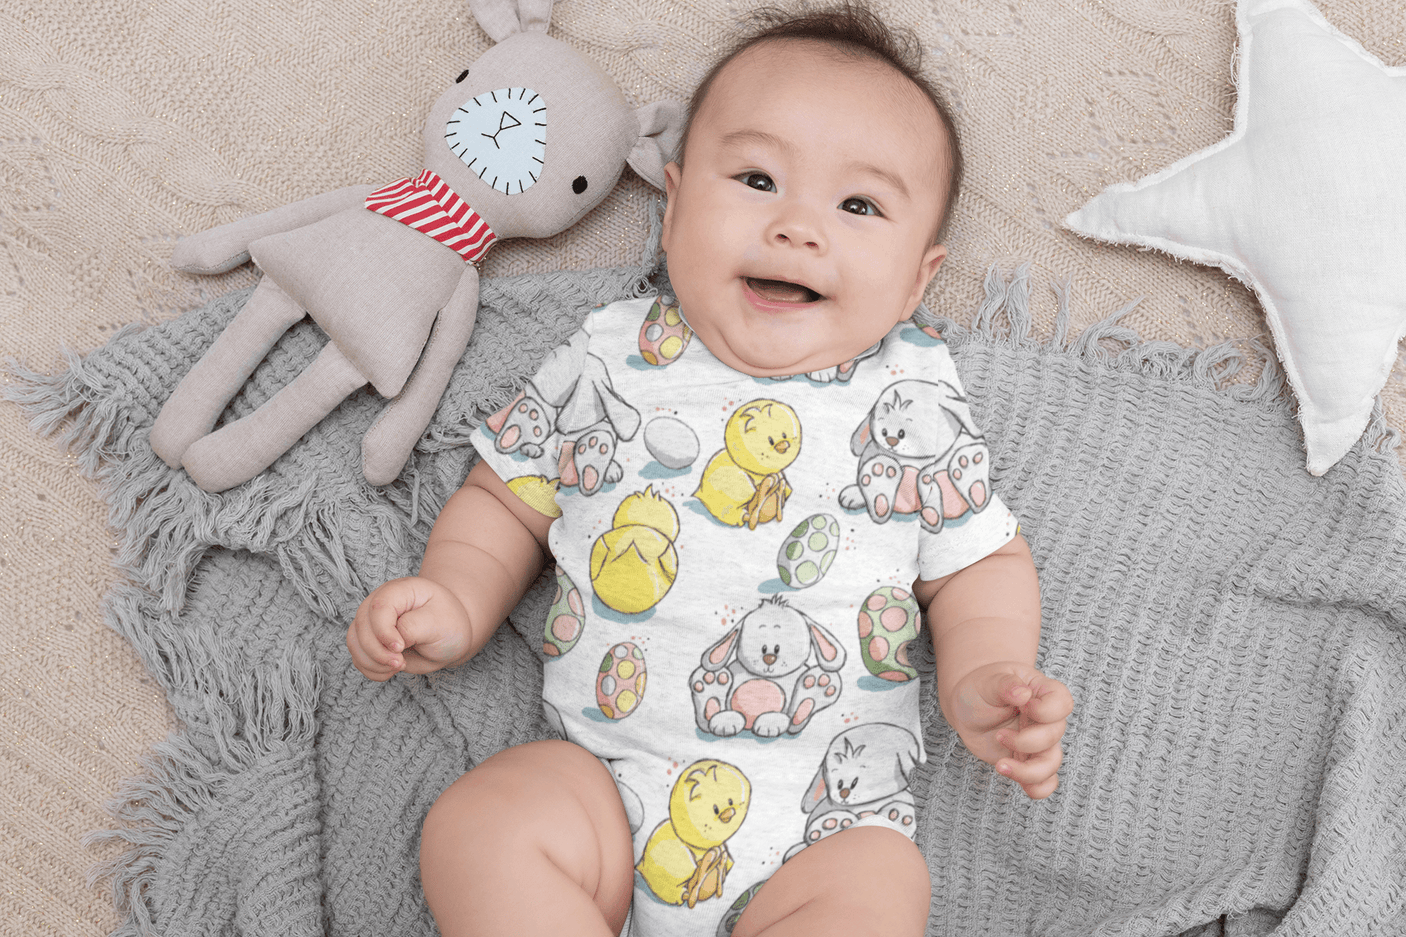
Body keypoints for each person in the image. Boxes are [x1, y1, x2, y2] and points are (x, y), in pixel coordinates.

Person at [346, 5, 1073, 936]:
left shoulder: (913, 393)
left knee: (882, 884)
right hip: (603, 785)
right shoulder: (608, 355)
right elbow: (507, 499)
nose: (797, 227)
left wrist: (986, 676)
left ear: (918, 280)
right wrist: (454, 597)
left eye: (858, 207)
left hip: (827, 823)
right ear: (675, 206)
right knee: (478, 824)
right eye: (757, 179)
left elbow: (980, 560)